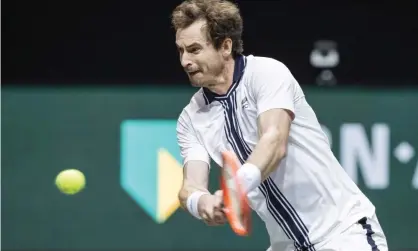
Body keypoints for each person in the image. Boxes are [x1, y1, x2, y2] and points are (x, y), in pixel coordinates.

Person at [171, 0, 388, 250]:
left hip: (343, 233)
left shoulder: (266, 73)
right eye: (180, 51)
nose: (185, 61)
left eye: (194, 49)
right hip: (285, 245)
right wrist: (203, 203)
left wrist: (237, 185)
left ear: (225, 46)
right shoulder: (190, 118)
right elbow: (190, 187)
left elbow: (273, 142)